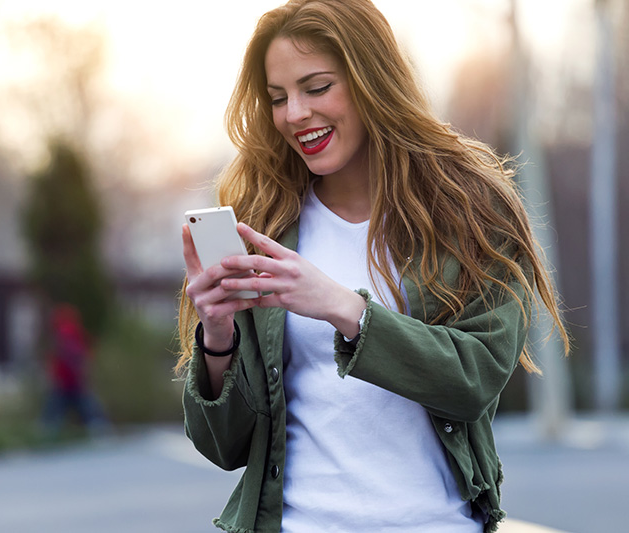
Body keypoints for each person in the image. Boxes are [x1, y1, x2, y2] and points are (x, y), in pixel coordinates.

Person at [176, 1, 569, 532]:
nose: (294, 114)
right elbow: (225, 446)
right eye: (278, 97)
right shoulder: (265, 226)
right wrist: (217, 335)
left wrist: (344, 308)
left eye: (316, 88)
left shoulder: (471, 212)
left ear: (371, 80)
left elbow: (476, 379)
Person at [41, 303, 109, 438]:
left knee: (62, 407)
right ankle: (100, 429)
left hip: (67, 379)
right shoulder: (74, 331)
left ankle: (47, 431)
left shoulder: (65, 331)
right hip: (71, 379)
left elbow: (70, 353)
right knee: (85, 406)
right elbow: (84, 353)